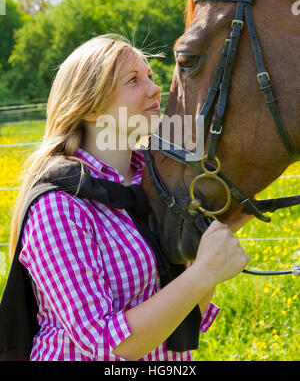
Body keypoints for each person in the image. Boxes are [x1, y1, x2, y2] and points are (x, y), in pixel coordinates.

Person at [9, 34, 250, 361]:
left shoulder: (153, 185)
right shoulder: (59, 205)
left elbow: (186, 308)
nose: (155, 88)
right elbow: (107, 346)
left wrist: (216, 235)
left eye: (150, 76)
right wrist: (205, 270)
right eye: (133, 80)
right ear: (91, 107)